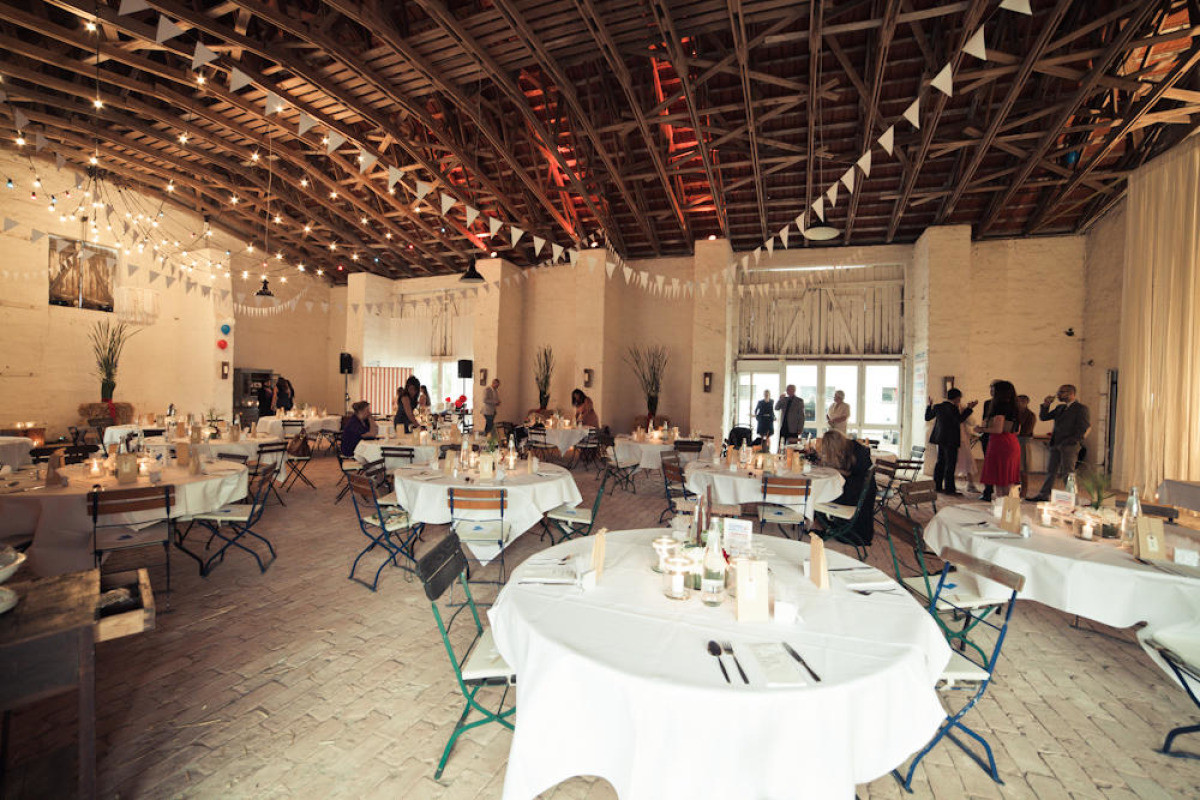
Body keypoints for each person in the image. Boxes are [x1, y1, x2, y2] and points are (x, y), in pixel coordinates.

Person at [813, 430, 876, 547]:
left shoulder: (856, 452)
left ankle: (822, 524)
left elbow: (850, 474)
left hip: (857, 494)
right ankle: (822, 523)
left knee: (821, 493)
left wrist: (833, 469)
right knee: (825, 489)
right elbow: (849, 472)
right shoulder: (851, 447)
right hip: (862, 490)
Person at [1030, 385, 1091, 501]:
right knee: (1051, 471)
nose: (1058, 395)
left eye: (1062, 392)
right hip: (1056, 443)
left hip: (1069, 445)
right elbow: (1044, 417)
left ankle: (1072, 497)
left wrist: (1071, 441)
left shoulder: (1080, 409)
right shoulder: (1060, 408)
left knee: (1068, 473)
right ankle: (1044, 494)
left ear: (1072, 393)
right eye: (1058, 392)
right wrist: (1046, 405)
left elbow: (1084, 428)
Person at [924, 388, 977, 494]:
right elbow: (959, 419)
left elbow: (927, 417)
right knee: (950, 464)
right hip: (951, 440)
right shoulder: (953, 407)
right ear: (957, 398)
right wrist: (969, 409)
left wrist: (929, 406)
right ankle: (949, 489)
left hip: (940, 438)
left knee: (940, 462)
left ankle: (937, 486)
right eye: (959, 398)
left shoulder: (938, 406)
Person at [976, 380, 1020, 500]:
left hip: (1000, 443)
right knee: (1007, 480)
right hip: (1011, 442)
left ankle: (1003, 507)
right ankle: (1008, 507)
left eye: (994, 389)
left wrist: (981, 429)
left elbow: (998, 429)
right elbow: (1017, 431)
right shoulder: (1014, 406)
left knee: (1001, 481)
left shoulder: (1000, 407)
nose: (992, 391)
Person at [774, 385, 804, 452]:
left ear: (794, 390)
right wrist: (780, 399)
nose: (788, 391)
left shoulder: (799, 401)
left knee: (792, 448)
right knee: (781, 446)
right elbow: (776, 408)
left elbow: (801, 416)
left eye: (790, 389)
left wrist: (800, 428)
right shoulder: (784, 399)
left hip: (793, 428)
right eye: (787, 390)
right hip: (784, 426)